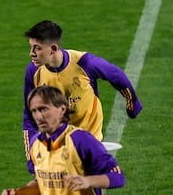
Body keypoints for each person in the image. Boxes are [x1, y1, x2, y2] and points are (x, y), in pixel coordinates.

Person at [22, 20, 142, 174]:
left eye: (37, 48)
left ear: (53, 48)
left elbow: (116, 75)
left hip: (89, 147)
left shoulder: (84, 63)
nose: (31, 53)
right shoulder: (33, 71)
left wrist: (132, 105)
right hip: (57, 149)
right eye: (31, 47)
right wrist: (31, 156)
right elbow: (29, 116)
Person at [2, 85, 126, 195]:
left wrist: (87, 181)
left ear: (62, 110)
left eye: (43, 109)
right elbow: (43, 183)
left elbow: (118, 177)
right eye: (34, 111)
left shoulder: (81, 140)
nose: (38, 117)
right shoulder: (35, 143)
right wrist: (19, 192)